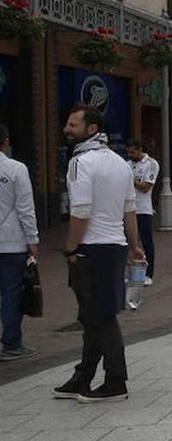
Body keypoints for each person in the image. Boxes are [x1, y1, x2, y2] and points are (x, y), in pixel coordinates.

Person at [54, 105, 145, 402]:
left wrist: (71, 247)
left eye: (72, 125)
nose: (67, 129)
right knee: (94, 317)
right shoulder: (120, 163)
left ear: (91, 129)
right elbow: (129, 209)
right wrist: (133, 245)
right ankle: (82, 377)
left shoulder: (80, 162)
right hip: (114, 246)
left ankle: (115, 382)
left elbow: (80, 211)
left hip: (91, 249)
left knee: (101, 317)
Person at [0, 123, 39, 360]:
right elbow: (25, 208)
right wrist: (32, 239)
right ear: (6, 143)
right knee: (11, 293)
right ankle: (12, 343)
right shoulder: (16, 169)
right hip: (11, 243)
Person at [124, 139, 157, 285]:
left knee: (146, 241)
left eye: (133, 152)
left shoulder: (151, 164)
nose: (130, 155)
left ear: (140, 149)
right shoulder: (127, 165)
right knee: (128, 242)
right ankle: (132, 273)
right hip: (128, 208)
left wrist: (130, 181)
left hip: (143, 208)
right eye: (128, 153)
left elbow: (146, 187)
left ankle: (148, 274)